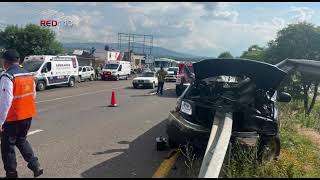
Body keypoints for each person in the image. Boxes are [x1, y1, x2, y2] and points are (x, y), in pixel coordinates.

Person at [0, 49, 43, 178]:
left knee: (7, 147)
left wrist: (0, 122)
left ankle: (12, 174)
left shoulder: (7, 76)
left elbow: (5, 101)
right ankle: (35, 165)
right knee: (21, 140)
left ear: (5, 62)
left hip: (12, 118)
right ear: (18, 61)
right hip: (27, 116)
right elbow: (33, 95)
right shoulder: (28, 74)